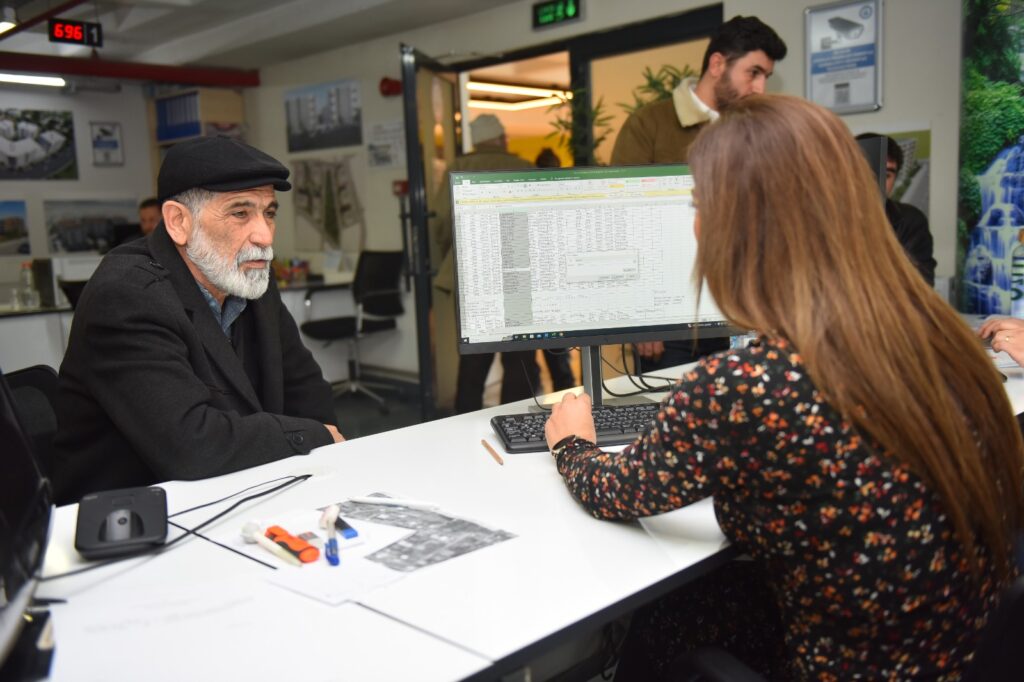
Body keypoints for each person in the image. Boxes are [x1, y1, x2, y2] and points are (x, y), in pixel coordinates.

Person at [545, 95, 1023, 679]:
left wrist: (571, 441)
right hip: (954, 657)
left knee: (663, 615)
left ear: (729, 226)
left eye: (700, 202)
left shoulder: (747, 385)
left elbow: (615, 492)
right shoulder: (946, 340)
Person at [53, 136, 343, 503]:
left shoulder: (248, 278)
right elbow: (192, 444)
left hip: (239, 492)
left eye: (269, 212)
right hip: (130, 519)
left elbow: (307, 389)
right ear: (178, 222)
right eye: (241, 213)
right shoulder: (126, 295)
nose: (264, 235)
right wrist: (315, 436)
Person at [611, 15, 787, 371]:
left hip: (740, 315)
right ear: (718, 64)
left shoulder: (755, 132)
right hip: (670, 320)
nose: (760, 88)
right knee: (665, 418)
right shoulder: (651, 125)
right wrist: (643, 316)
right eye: (753, 73)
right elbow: (622, 221)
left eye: (765, 76)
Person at [430, 114, 540, 414]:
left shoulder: (458, 167)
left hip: (475, 278)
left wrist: (448, 258)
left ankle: (464, 422)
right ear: (503, 139)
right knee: (520, 358)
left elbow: (440, 221)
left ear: (475, 141)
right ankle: (517, 419)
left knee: (474, 359)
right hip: (518, 278)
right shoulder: (524, 168)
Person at [856, 133, 937, 285]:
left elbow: (919, 288)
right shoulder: (819, 220)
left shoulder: (910, 221)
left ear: (895, 179)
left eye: (886, 175)